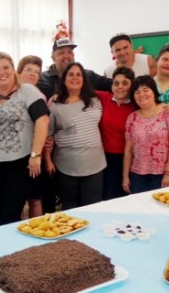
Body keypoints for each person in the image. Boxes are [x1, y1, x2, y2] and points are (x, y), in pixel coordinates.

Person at [0, 52, 49, 226]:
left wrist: (36, 154)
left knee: (11, 212)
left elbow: (43, 120)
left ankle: (12, 251)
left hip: (20, 162)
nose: (2, 72)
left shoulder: (27, 91)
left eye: (6, 67)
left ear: (13, 70)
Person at [45, 62, 106, 209]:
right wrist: (48, 161)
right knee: (71, 209)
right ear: (64, 79)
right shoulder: (55, 104)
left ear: (84, 79)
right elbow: (48, 136)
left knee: (93, 208)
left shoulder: (95, 100)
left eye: (79, 74)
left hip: (95, 164)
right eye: (71, 74)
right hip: (66, 166)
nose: (75, 77)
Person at [123, 75, 169, 194]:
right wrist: (125, 176)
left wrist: (168, 173)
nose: (142, 94)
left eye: (146, 90)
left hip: (164, 175)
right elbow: (128, 150)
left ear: (154, 92)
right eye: (137, 92)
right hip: (138, 175)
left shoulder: (168, 112)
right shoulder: (132, 118)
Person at [17, 55, 50, 216]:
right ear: (18, 72)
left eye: (37, 72)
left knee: (35, 199)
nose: (32, 74)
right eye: (28, 70)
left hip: (35, 154)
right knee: (16, 201)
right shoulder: (11, 93)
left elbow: (45, 125)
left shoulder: (40, 96)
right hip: (15, 155)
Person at [96, 67, 136, 199]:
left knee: (129, 198)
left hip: (131, 159)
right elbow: (78, 92)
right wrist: (58, 94)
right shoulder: (103, 97)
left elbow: (156, 104)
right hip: (106, 159)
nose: (120, 87)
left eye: (125, 83)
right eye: (116, 83)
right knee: (109, 198)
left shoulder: (137, 104)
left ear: (132, 85)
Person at [37, 35, 112, 99]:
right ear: (53, 58)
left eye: (69, 52)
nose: (66, 56)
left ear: (73, 56)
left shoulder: (88, 75)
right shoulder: (42, 78)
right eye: (61, 53)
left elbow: (113, 85)